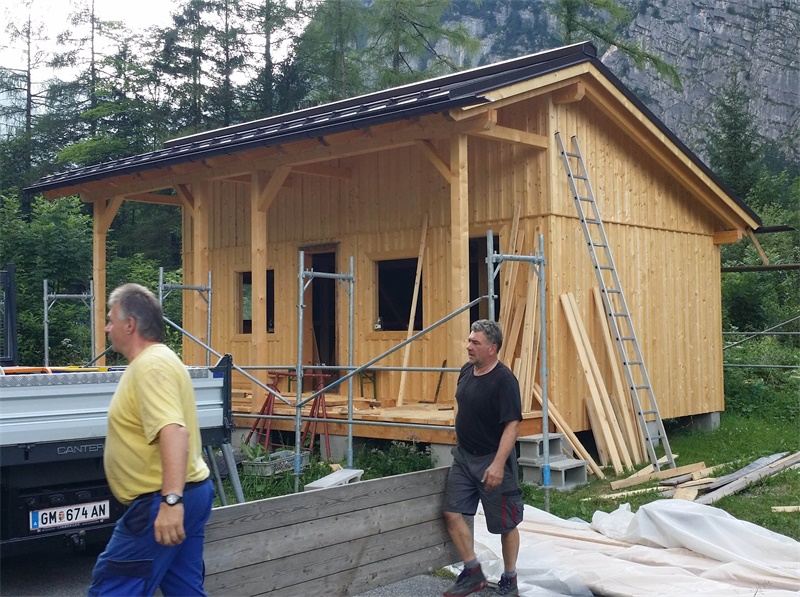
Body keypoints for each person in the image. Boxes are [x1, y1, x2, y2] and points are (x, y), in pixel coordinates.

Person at [89, 283, 213, 597]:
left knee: (114, 585)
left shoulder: (151, 365)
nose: (106, 328)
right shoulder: (160, 360)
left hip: (161, 499)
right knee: (184, 588)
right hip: (188, 491)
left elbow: (173, 431)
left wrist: (171, 502)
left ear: (129, 324)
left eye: (110, 320)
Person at [442, 319, 524, 597]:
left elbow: (512, 425)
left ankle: (510, 579)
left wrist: (498, 464)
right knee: (451, 512)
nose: (468, 346)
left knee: (505, 524)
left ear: (492, 348)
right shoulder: (466, 370)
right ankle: (473, 572)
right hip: (464, 458)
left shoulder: (504, 380)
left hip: (493, 459)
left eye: (475, 343)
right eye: (469, 340)